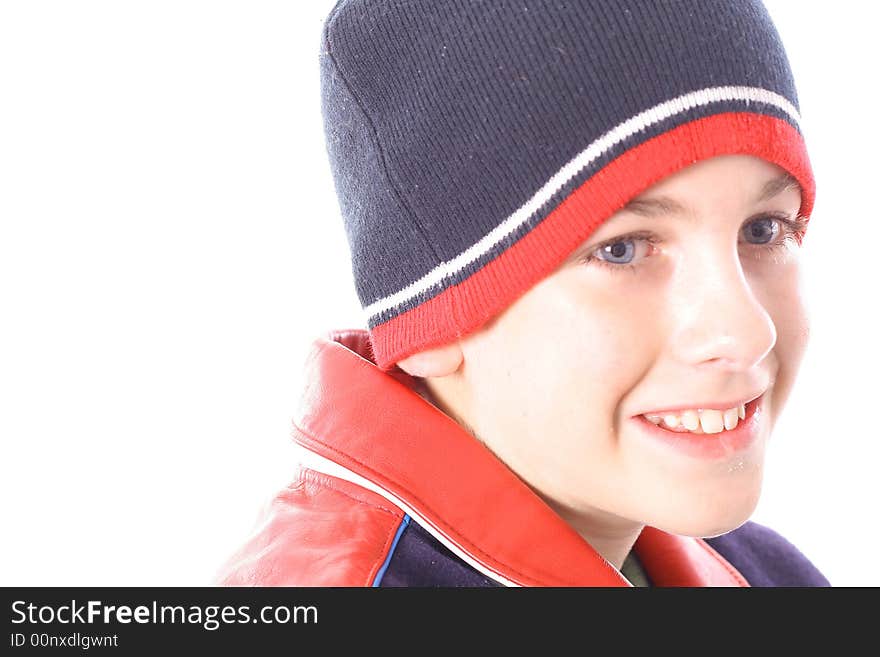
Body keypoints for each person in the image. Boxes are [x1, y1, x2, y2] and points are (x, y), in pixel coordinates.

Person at [214, 0, 830, 586]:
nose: (746, 333)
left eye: (763, 230)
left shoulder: (766, 574)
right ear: (431, 318)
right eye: (622, 248)